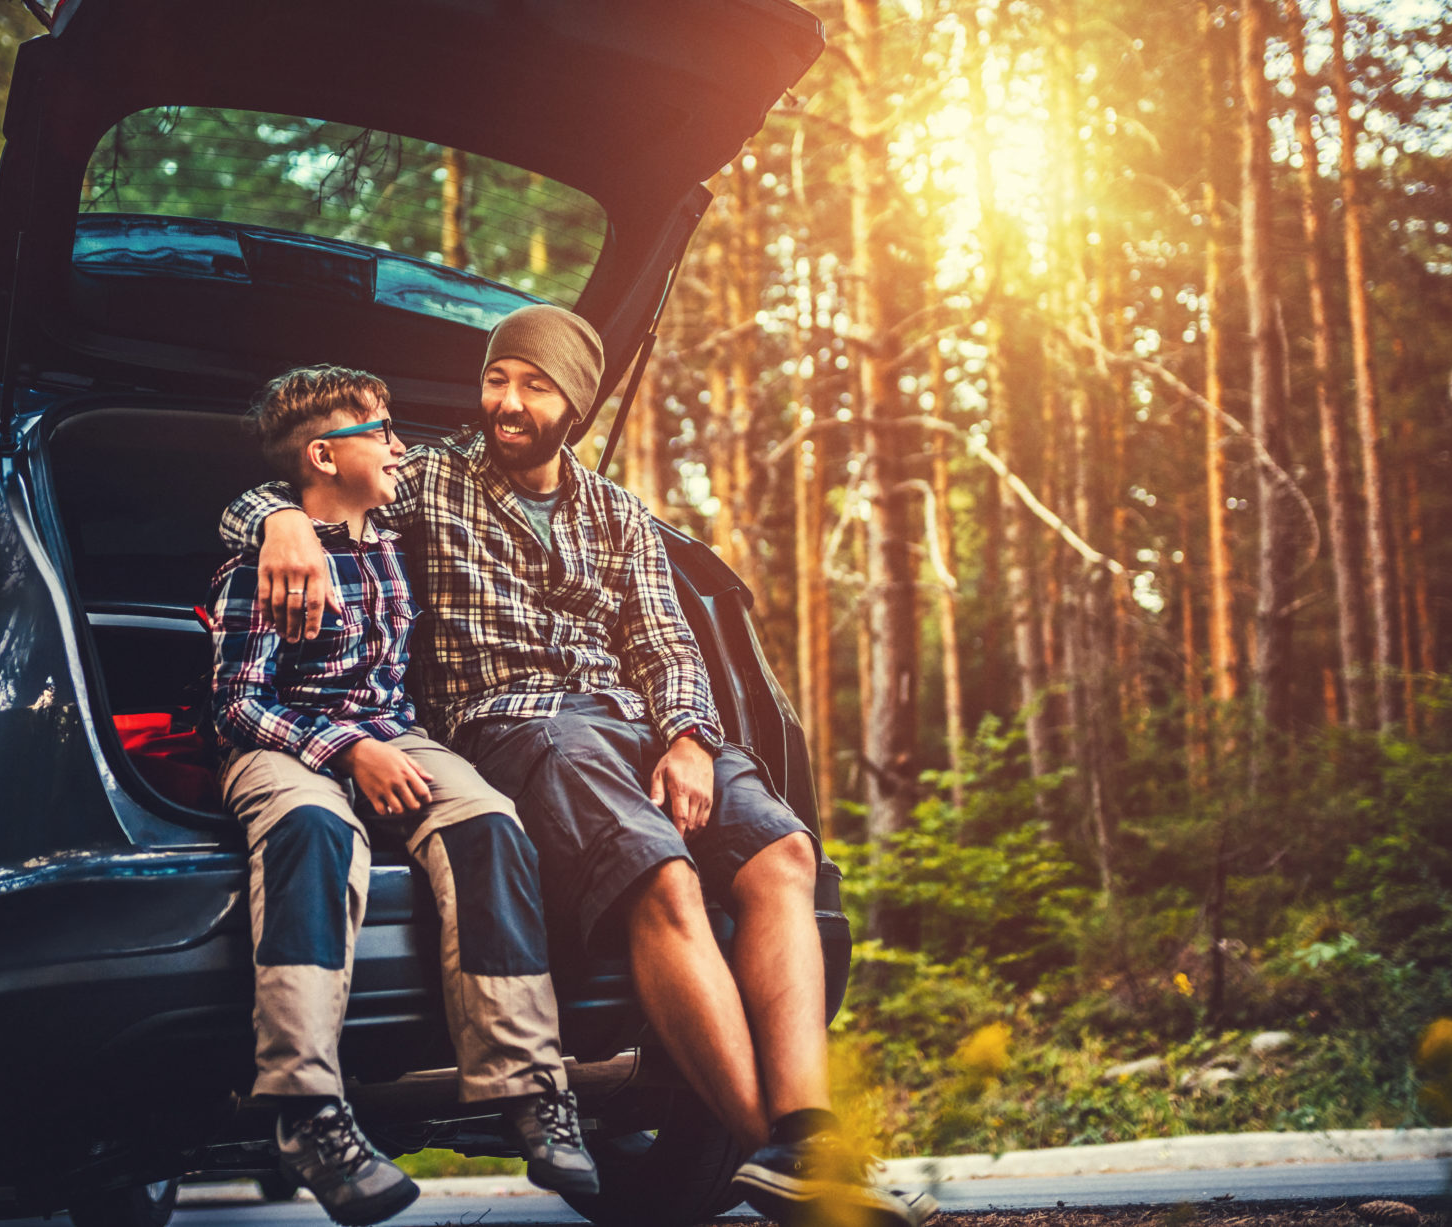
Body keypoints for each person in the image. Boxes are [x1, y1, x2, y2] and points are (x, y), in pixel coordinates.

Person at [219, 309, 933, 1227]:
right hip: (519, 726)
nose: (506, 403)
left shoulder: (618, 513)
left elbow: (669, 646)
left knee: (784, 858)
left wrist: (688, 739)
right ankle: (805, 1176)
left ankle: (805, 1139)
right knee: (662, 876)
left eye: (534, 385)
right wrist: (276, 520)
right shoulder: (431, 477)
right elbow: (303, 478)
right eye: (497, 380)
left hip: (637, 725)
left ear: (576, 404)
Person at [209, 364, 597, 1226]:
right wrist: (348, 753)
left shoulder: (389, 529)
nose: (399, 445)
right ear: (322, 454)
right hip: (283, 743)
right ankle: (306, 1107)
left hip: (398, 733)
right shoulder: (261, 565)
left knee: (491, 820)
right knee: (313, 829)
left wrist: (384, 746)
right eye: (380, 432)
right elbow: (238, 704)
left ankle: (530, 1086)